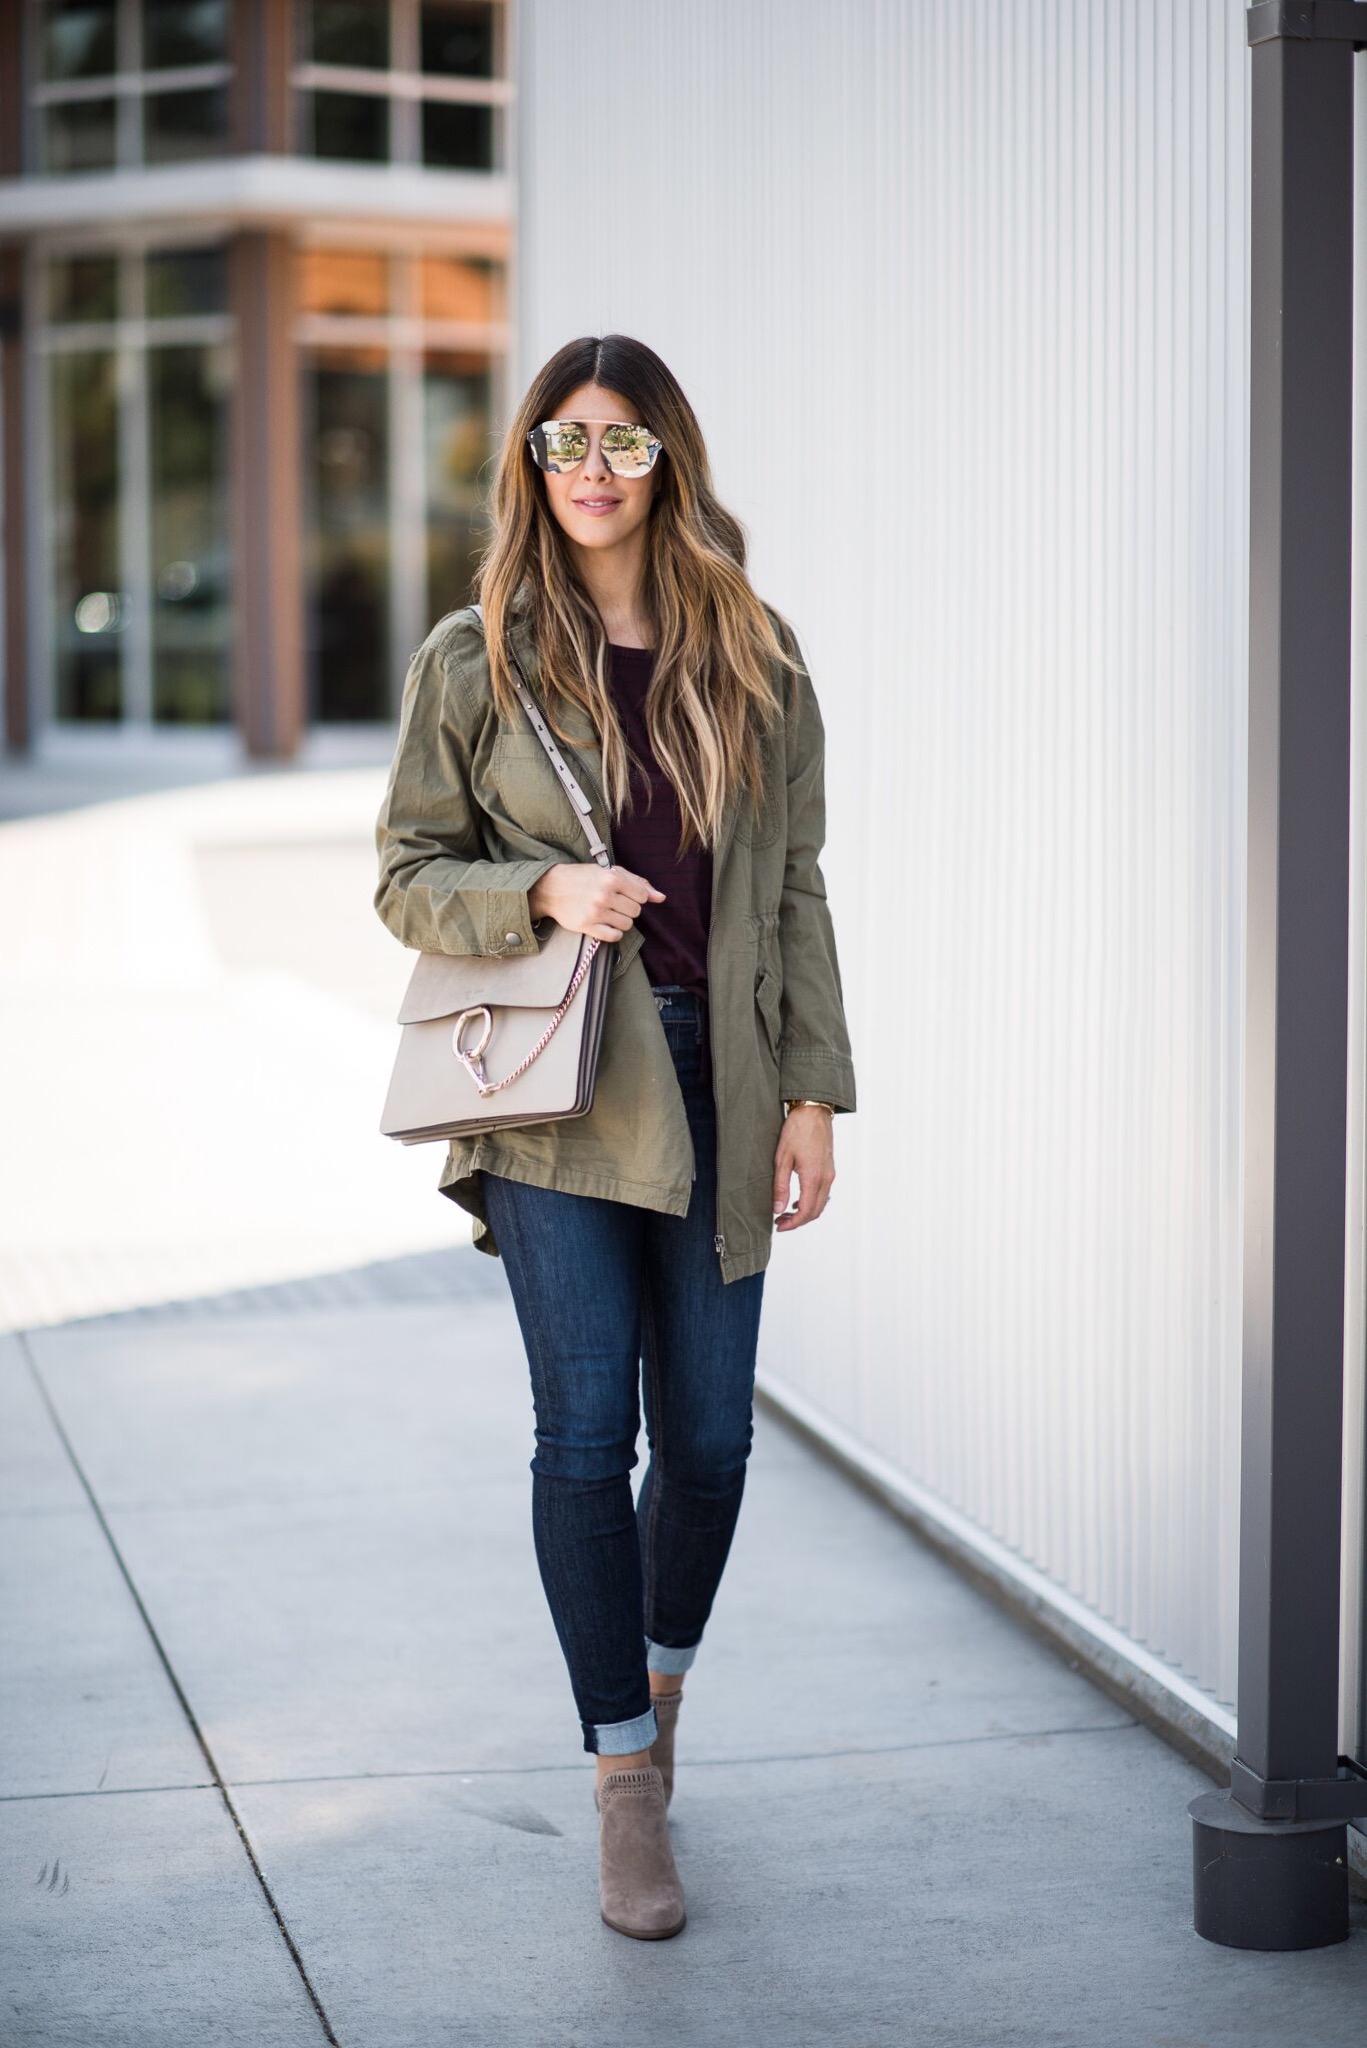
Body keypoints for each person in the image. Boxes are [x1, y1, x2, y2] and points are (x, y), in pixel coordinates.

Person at [374, 333, 856, 1941]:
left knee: (709, 1446)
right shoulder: (479, 658)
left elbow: (792, 883)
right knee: (588, 1442)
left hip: (725, 1080)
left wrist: (811, 1091)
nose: (591, 470)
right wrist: (542, 889)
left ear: (669, 461)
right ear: (530, 460)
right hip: (566, 1097)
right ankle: (625, 1775)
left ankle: (657, 1680)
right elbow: (403, 875)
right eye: (565, 441)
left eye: (624, 442)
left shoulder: (755, 649)